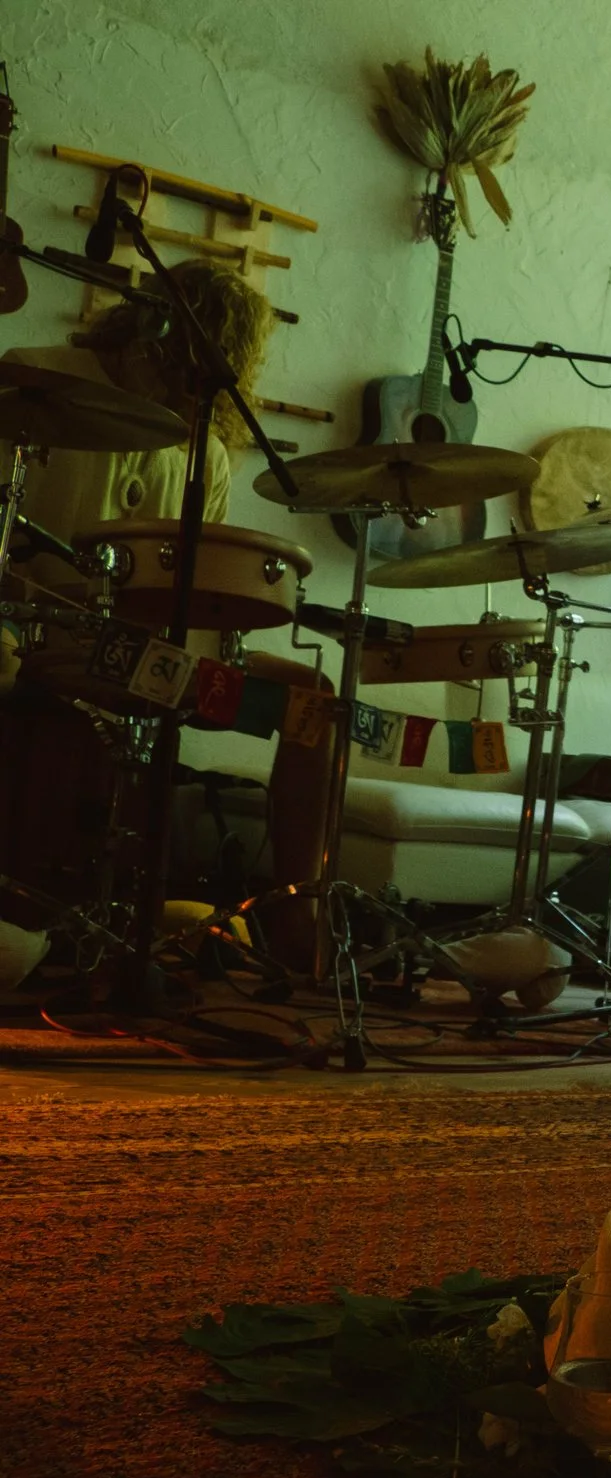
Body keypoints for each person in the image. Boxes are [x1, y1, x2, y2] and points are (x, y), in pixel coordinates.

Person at [1, 258, 329, 968]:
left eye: (196, 370)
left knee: (311, 698)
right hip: (37, 638)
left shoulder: (203, 446)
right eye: (171, 355)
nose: (176, 380)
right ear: (141, 328)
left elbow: (201, 592)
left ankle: (298, 907)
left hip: (153, 656)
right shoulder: (33, 377)